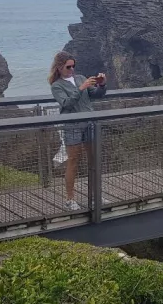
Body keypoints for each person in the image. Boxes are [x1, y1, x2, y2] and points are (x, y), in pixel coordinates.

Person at [49, 51, 107, 211]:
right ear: (60, 68)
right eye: (68, 67)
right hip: (72, 125)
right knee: (73, 161)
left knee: (94, 159)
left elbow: (96, 95)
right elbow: (66, 103)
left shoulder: (80, 78)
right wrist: (81, 88)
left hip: (89, 122)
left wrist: (102, 85)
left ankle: (95, 195)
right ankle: (70, 199)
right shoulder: (57, 86)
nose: (72, 69)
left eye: (73, 66)